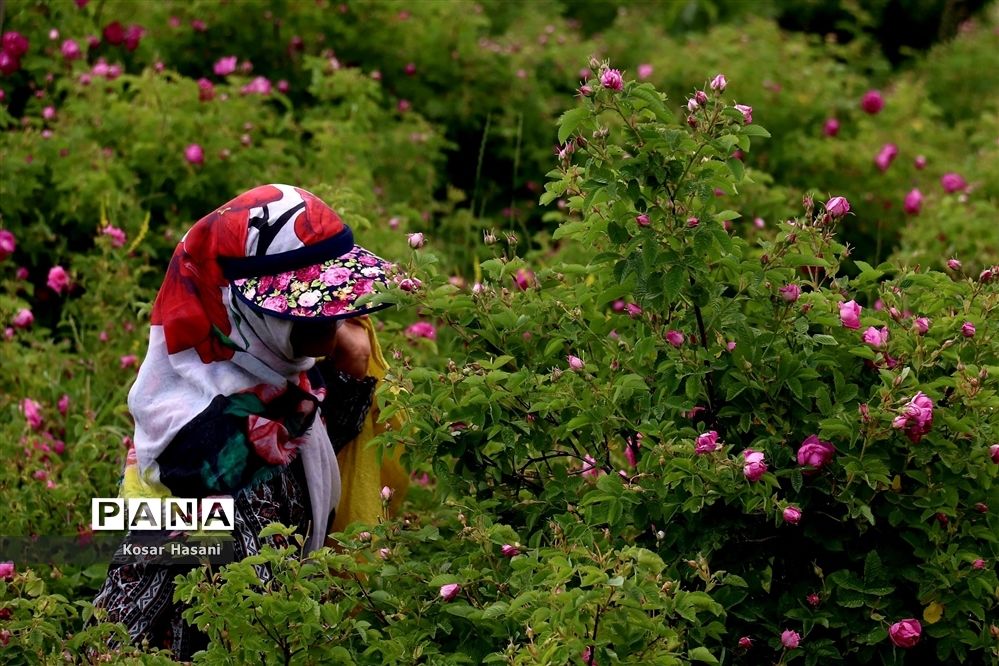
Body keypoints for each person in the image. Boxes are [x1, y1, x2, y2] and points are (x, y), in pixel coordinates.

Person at [89, 184, 408, 660]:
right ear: (239, 311)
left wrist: (351, 373)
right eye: (313, 304)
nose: (339, 314)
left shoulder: (278, 385)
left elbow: (303, 459)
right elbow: (263, 616)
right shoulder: (203, 448)